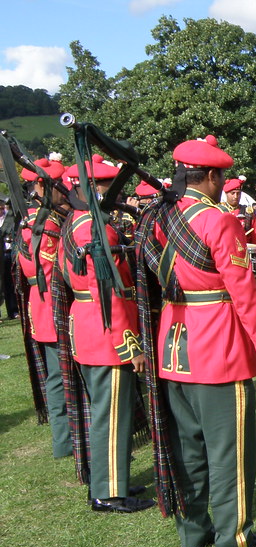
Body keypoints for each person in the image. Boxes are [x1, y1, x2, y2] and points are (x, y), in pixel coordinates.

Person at [152, 134, 256, 547]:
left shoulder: (162, 216)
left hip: (173, 344)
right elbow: (243, 292)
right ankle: (233, 537)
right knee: (230, 453)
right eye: (220, 177)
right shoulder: (220, 220)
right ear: (210, 176)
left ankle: (192, 532)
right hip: (217, 348)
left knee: (188, 447)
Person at [58, 155, 154, 513]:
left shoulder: (76, 222)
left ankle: (111, 479)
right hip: (105, 332)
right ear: (92, 188)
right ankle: (109, 492)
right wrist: (129, 344)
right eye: (106, 186)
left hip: (87, 325)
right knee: (110, 415)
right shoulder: (95, 229)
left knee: (107, 412)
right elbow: (107, 293)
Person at [15, 156, 73, 458]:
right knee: (61, 376)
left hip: (42, 305)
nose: (63, 189)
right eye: (58, 184)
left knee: (58, 375)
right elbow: (56, 271)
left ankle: (65, 439)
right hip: (54, 304)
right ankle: (66, 439)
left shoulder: (32, 218)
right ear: (41, 184)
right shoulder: (46, 223)